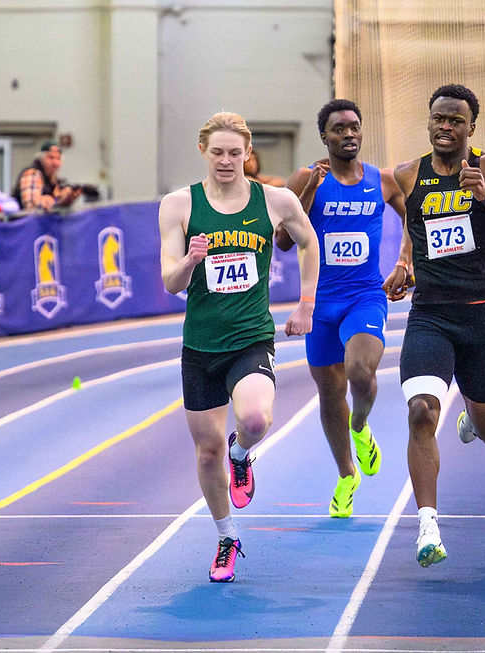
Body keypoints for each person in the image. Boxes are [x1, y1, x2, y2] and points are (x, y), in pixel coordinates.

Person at [157, 111, 318, 582]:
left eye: (235, 153)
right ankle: (227, 537)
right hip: (201, 346)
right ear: (203, 152)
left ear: (247, 154)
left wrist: (305, 306)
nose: (226, 161)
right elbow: (169, 283)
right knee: (207, 453)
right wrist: (190, 259)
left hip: (251, 336)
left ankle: (243, 453)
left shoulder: (276, 200)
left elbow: (309, 245)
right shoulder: (178, 206)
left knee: (253, 419)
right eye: (217, 152)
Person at [381, 84, 485, 567]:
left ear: (472, 127)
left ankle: (473, 414)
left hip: (479, 316)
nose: (445, 126)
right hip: (430, 314)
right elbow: (413, 227)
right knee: (422, 411)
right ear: (429, 123)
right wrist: (404, 265)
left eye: (456, 120)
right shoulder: (408, 176)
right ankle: (427, 525)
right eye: (438, 119)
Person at [274, 99, 405, 518]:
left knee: (360, 372)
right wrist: (309, 190)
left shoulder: (382, 181)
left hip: (365, 295)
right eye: (338, 129)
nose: (348, 134)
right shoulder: (304, 177)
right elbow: (281, 241)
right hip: (320, 303)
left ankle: (361, 426)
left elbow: (416, 222)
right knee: (330, 391)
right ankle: (346, 474)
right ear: (324, 137)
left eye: (354, 127)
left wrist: (406, 261)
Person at [16, 142, 81, 211]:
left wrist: (67, 198)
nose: (55, 163)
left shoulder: (55, 181)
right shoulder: (32, 174)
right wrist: (49, 201)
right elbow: (31, 205)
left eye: (58, 158)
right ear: (41, 158)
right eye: (51, 157)